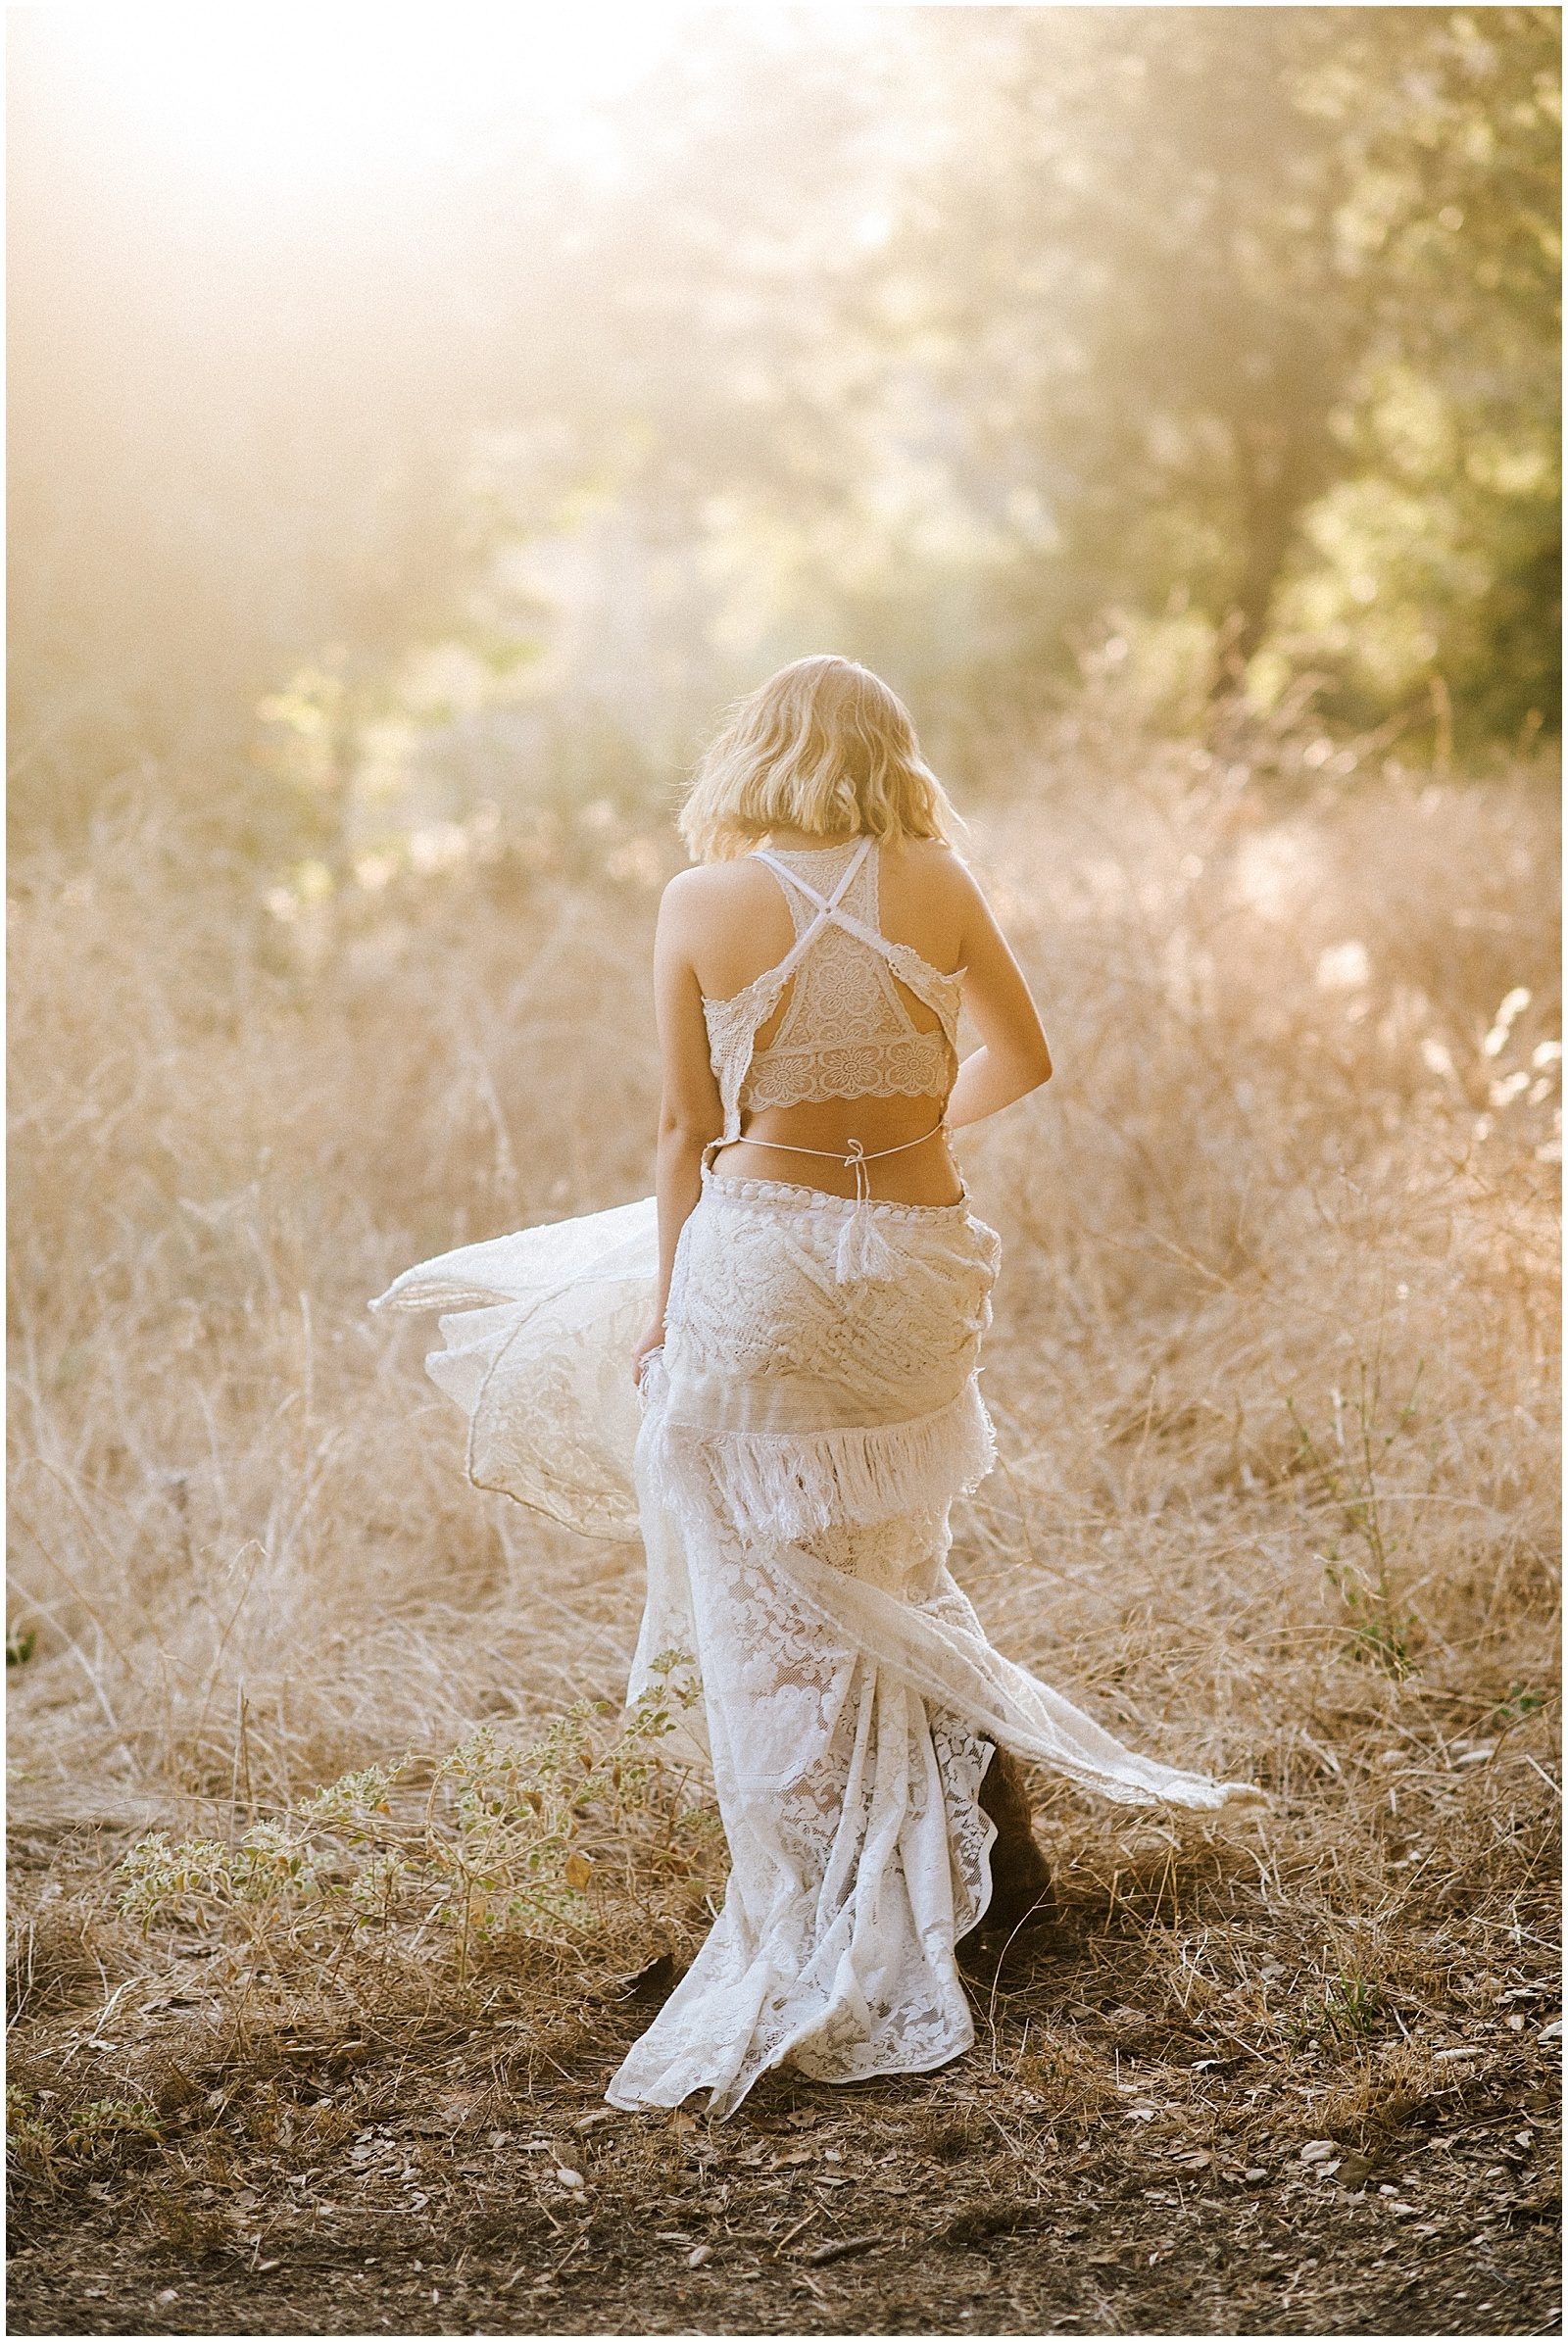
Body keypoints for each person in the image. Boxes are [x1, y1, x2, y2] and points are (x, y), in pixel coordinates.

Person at [371, 655, 1259, 2119]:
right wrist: (913, 1136)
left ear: (758, 754)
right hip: (916, 1260)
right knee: (897, 1565)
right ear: (889, 752)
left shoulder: (700, 901)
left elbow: (681, 1127)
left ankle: (817, 1907)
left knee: (763, 1598)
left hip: (768, 1256)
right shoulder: (939, 878)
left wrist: (674, 1301)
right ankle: (986, 1881)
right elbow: (1023, 1057)